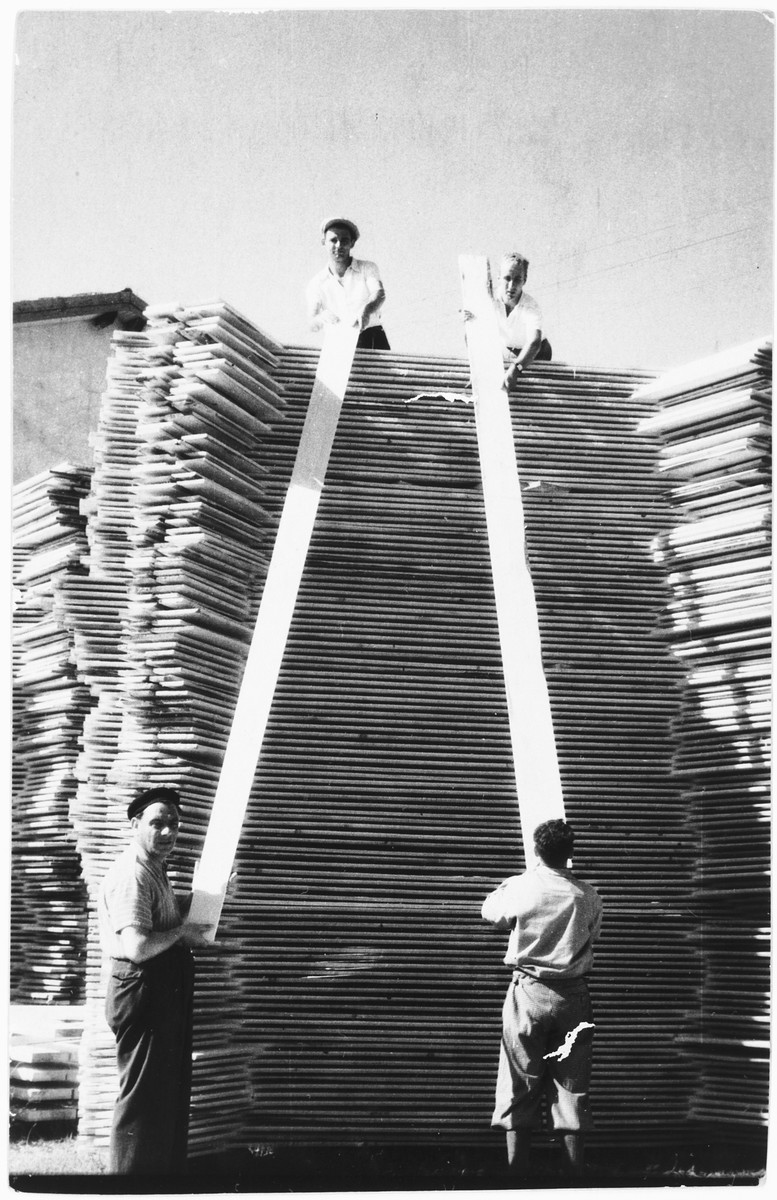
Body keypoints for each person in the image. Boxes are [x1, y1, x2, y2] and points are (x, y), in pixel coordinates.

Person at [98, 786, 212, 1175]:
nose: (167, 833)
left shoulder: (152, 869)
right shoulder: (132, 874)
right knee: (142, 1102)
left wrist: (207, 897)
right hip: (142, 989)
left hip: (158, 988)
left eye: (174, 825)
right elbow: (138, 946)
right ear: (135, 824)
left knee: (162, 1094)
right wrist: (183, 934)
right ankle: (128, 1184)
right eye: (157, 823)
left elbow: (161, 919)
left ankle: (156, 1182)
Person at [481, 819, 602, 1180]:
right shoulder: (588, 894)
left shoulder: (521, 887)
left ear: (536, 850)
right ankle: (573, 1176)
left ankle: (517, 1176)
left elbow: (491, 913)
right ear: (571, 853)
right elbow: (593, 933)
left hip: (529, 993)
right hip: (574, 998)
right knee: (572, 1086)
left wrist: (513, 883)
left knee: (520, 1081)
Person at [306, 217, 390, 349]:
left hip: (371, 337)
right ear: (324, 242)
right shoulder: (317, 283)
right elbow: (311, 322)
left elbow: (379, 293)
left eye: (344, 240)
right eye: (333, 240)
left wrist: (367, 311)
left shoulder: (367, 268)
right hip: (338, 342)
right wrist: (320, 319)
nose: (339, 245)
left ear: (352, 243)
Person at [493, 252, 552, 389]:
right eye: (507, 278)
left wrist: (516, 368)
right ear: (499, 278)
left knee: (530, 388)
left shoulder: (530, 306)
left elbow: (534, 343)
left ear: (524, 280)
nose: (511, 286)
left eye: (517, 280)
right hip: (509, 349)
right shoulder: (489, 299)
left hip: (537, 352)